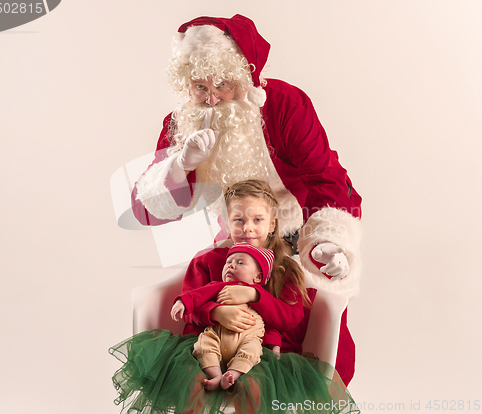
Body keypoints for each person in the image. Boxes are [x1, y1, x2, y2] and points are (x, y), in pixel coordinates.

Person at [131, 14, 362, 385]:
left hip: (292, 244)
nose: (212, 98)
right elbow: (145, 209)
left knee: (313, 358)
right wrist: (179, 165)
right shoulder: (182, 122)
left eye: (224, 84)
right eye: (199, 87)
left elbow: (330, 181)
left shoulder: (284, 105)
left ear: (245, 75)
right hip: (230, 247)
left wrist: (325, 242)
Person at [110, 180, 360, 414]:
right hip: (205, 344)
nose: (247, 228)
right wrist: (216, 312)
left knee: (255, 387)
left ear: (272, 224)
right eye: (238, 220)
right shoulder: (209, 260)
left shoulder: (285, 269)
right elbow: (191, 303)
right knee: (192, 381)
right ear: (227, 223)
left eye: (257, 219)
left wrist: (255, 294)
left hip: (259, 352)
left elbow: (290, 318)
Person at [171, 242, 277, 390]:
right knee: (204, 344)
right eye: (228, 262)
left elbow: (271, 321)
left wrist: (275, 344)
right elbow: (198, 295)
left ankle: (233, 374)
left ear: (258, 277)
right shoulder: (219, 286)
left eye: (240, 263)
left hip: (246, 338)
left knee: (253, 350)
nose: (231, 265)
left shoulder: (259, 296)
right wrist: (183, 302)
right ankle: (215, 375)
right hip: (217, 334)